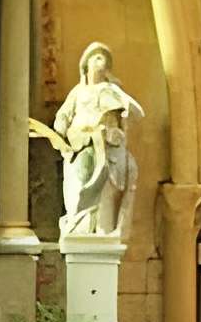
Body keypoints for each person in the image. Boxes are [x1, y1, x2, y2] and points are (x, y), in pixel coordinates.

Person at [50, 41, 143, 238]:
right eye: (97, 57)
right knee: (79, 190)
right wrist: (64, 135)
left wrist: (118, 96)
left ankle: (102, 234)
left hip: (106, 148)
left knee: (104, 197)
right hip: (81, 146)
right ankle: (79, 228)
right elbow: (62, 117)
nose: (101, 61)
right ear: (87, 64)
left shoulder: (111, 90)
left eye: (104, 59)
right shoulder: (78, 92)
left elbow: (136, 113)